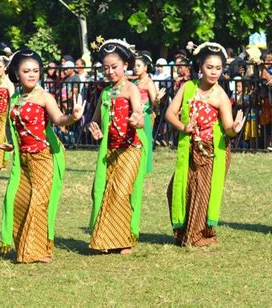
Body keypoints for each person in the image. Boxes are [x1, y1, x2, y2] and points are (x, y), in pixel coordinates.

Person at [0, 49, 85, 263]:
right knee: (18, 201)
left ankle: (35, 251)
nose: (31, 74)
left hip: (43, 157)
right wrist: (12, 145)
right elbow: (17, 127)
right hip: (23, 161)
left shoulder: (44, 96)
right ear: (17, 74)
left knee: (38, 203)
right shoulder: (16, 98)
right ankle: (23, 247)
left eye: (35, 70)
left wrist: (73, 117)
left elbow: (58, 119)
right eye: (26, 70)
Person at [166, 41, 244, 247]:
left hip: (211, 151)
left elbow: (227, 128)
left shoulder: (220, 95)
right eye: (209, 67)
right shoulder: (188, 87)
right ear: (200, 66)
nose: (214, 72)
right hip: (189, 148)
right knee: (176, 189)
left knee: (202, 192)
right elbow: (169, 114)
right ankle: (184, 233)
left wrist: (235, 129)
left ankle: (200, 235)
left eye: (218, 68)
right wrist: (184, 128)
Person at [88, 38, 148, 254]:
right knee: (106, 192)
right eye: (106, 68)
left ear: (125, 65)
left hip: (131, 148)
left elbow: (139, 117)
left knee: (122, 191)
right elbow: (94, 120)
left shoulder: (131, 89)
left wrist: (136, 121)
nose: (110, 72)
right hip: (110, 151)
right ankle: (106, 239)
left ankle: (124, 240)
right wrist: (95, 130)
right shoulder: (104, 93)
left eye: (114, 67)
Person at [133, 51, 165, 173]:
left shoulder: (149, 82)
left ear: (145, 67)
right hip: (136, 114)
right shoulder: (135, 81)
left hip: (146, 114)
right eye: (134, 66)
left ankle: (146, 166)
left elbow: (154, 103)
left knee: (146, 139)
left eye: (138, 65)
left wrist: (157, 99)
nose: (135, 68)